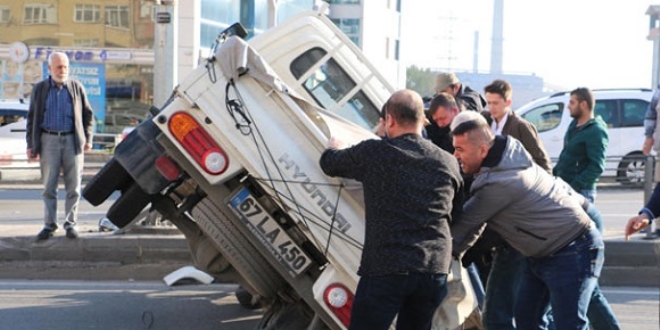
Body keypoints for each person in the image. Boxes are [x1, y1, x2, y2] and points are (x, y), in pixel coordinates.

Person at [319, 89, 464, 330]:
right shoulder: (448, 162)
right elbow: (456, 215)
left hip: (387, 265)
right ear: (422, 120)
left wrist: (335, 146)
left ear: (390, 120)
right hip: (433, 268)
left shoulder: (375, 153)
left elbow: (330, 163)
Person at [449, 111, 604, 330]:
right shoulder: (502, 163)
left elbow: (465, 224)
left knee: (569, 324)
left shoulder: (500, 183)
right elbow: (478, 223)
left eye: (460, 150)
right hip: (543, 253)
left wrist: (439, 254)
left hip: (573, 249)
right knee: (528, 321)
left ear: (483, 150)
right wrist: (456, 253)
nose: (455, 156)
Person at [26, 52, 94, 240]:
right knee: (49, 186)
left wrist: (87, 138)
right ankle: (49, 225)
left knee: (74, 187)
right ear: (49, 69)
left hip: (72, 141)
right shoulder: (40, 89)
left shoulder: (76, 87)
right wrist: (31, 144)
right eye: (58, 67)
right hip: (48, 141)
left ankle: (71, 224)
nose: (62, 70)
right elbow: (32, 118)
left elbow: (88, 115)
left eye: (65, 67)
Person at [553, 87, 608, 203]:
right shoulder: (574, 124)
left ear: (583, 104)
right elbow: (567, 155)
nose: (568, 106)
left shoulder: (596, 130)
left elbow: (597, 166)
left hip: (582, 193)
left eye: (572, 102)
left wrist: (574, 186)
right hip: (564, 188)